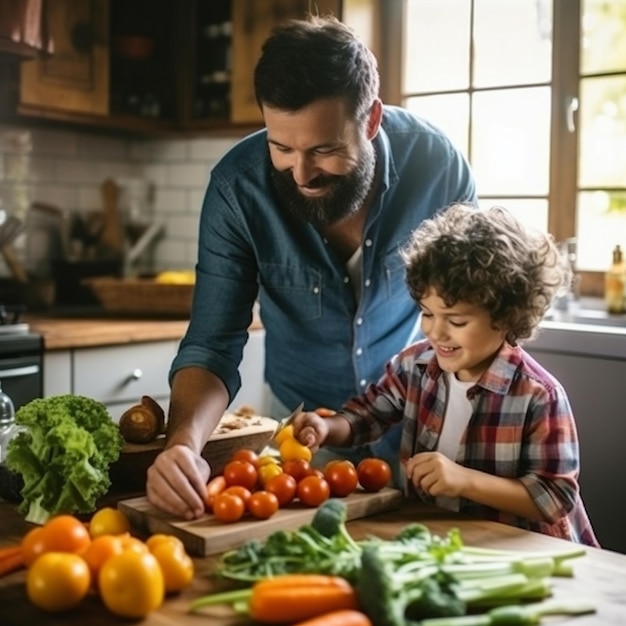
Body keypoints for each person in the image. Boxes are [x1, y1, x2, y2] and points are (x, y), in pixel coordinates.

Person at [146, 14, 477, 520]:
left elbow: (478, 309)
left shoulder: (436, 166)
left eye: (324, 150)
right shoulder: (237, 190)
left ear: (370, 121)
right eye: (281, 147)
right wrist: (184, 445)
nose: (301, 173)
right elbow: (213, 343)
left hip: (417, 425)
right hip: (304, 430)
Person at [293, 203, 599, 546]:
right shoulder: (414, 366)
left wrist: (462, 480)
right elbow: (365, 416)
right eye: (426, 314)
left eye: (456, 321)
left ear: (509, 317)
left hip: (519, 551)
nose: (435, 333)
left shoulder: (539, 395)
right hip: (444, 540)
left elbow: (554, 498)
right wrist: (327, 427)